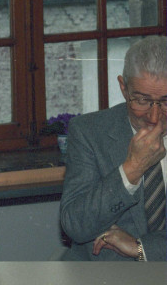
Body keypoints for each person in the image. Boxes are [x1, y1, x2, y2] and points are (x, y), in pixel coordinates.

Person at [60, 35, 167, 261]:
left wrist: (142, 248)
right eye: (142, 100)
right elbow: (75, 225)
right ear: (123, 88)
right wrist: (131, 170)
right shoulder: (89, 132)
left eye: (166, 101)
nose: (155, 117)